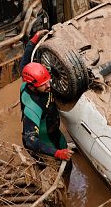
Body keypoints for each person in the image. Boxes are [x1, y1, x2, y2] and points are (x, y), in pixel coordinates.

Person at [20, 30, 73, 162]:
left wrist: (34, 40)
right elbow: (30, 140)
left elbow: (26, 61)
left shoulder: (28, 77)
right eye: (43, 85)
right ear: (32, 85)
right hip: (47, 142)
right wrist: (57, 153)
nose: (49, 85)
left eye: (48, 81)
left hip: (54, 131)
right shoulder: (33, 107)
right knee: (60, 166)